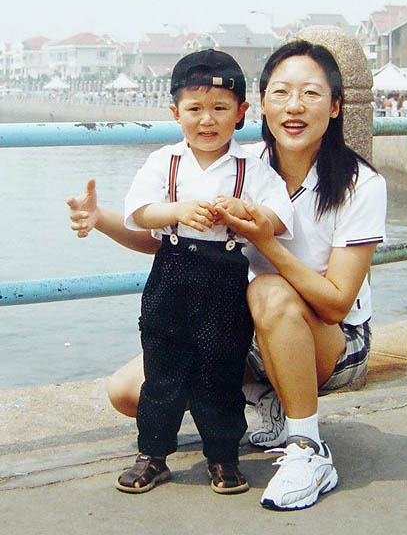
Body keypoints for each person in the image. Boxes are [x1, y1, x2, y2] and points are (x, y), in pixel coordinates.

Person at [67, 39, 387, 511]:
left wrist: (264, 239)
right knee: (128, 392)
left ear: (336, 106)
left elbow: (337, 303)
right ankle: (266, 399)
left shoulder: (360, 184)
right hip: (241, 325)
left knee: (269, 290)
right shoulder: (236, 160)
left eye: (311, 94)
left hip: (329, 336)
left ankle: (307, 447)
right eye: (281, 93)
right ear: (261, 105)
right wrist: (100, 219)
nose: (294, 106)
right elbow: (161, 237)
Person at [70, 49, 294, 496]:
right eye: (194, 109)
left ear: (241, 113)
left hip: (225, 280)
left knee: (220, 371)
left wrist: (246, 211)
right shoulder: (164, 161)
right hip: (170, 275)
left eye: (220, 109)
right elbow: (140, 211)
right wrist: (177, 210)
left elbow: (279, 219)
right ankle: (153, 454)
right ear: (175, 113)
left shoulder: (253, 168)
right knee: (162, 369)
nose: (207, 120)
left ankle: (223, 457)